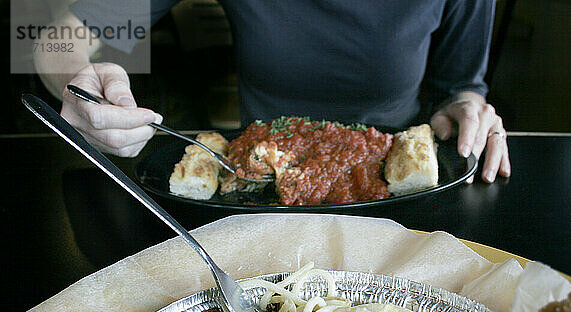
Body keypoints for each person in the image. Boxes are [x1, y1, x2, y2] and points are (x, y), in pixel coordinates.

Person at [34, 0, 510, 183]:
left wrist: (470, 110)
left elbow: (461, 87)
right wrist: (85, 87)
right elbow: (53, 42)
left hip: (392, 186)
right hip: (252, 186)